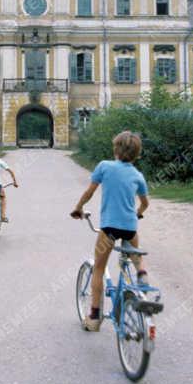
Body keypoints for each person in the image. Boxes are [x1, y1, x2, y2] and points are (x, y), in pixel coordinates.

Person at [70, 130, 149, 331]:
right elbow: (145, 203)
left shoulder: (104, 167)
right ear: (137, 154)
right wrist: (137, 212)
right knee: (134, 255)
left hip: (109, 229)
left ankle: (95, 317)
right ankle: (142, 274)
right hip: (130, 227)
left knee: (98, 268)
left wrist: (78, 208)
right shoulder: (138, 175)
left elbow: (90, 191)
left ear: (115, 149)